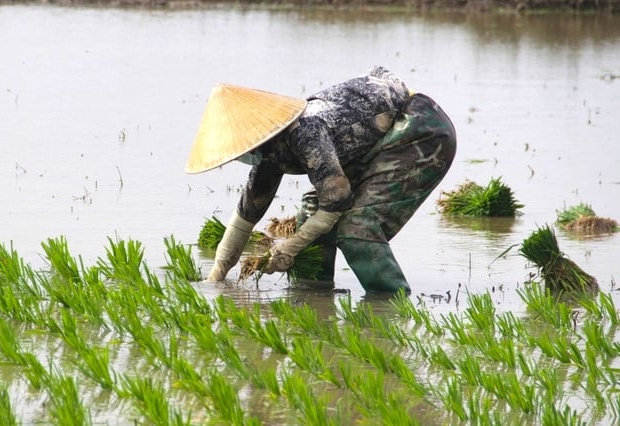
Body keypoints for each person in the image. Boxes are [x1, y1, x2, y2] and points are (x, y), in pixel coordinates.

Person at [185, 66, 456, 295]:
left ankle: (389, 304)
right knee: (310, 213)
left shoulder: (305, 132)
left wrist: (288, 249)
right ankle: (313, 296)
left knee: (357, 227)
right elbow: (246, 216)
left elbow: (336, 203)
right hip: (378, 139)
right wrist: (216, 277)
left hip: (419, 129)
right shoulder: (269, 152)